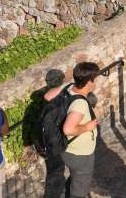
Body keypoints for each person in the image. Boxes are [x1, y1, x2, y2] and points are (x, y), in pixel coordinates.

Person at [42, 62, 100, 198]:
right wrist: (87, 127)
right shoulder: (80, 104)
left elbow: (47, 96)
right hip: (80, 154)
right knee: (80, 187)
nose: (96, 81)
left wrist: (65, 86)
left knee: (74, 176)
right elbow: (68, 129)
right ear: (89, 82)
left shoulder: (69, 87)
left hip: (65, 148)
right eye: (95, 78)